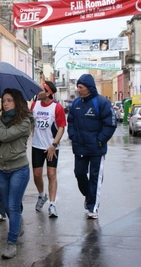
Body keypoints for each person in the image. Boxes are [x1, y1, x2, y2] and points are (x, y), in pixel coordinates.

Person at [0, 88, 33, 259]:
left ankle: (11, 244)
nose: (5, 103)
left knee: (13, 206)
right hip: (2, 170)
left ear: (17, 101)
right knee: (10, 207)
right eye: (3, 101)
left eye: (9, 100)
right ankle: (18, 226)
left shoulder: (25, 121)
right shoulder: (1, 121)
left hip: (19, 170)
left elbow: (5, 135)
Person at [67, 74, 117, 219]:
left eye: (81, 87)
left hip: (96, 148)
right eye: (78, 87)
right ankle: (89, 196)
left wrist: (100, 140)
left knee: (95, 177)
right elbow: (70, 121)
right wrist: (72, 135)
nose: (78, 90)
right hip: (80, 147)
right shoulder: (76, 104)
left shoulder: (101, 103)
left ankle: (93, 207)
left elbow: (110, 124)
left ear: (89, 88)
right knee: (79, 173)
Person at [31, 81, 66, 218]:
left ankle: (52, 204)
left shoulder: (57, 108)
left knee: (51, 174)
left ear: (48, 93)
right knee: (37, 175)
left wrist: (54, 145)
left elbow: (62, 127)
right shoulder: (35, 105)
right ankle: (41, 195)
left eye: (40, 89)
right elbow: (30, 122)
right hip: (36, 146)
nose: (37, 91)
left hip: (51, 146)